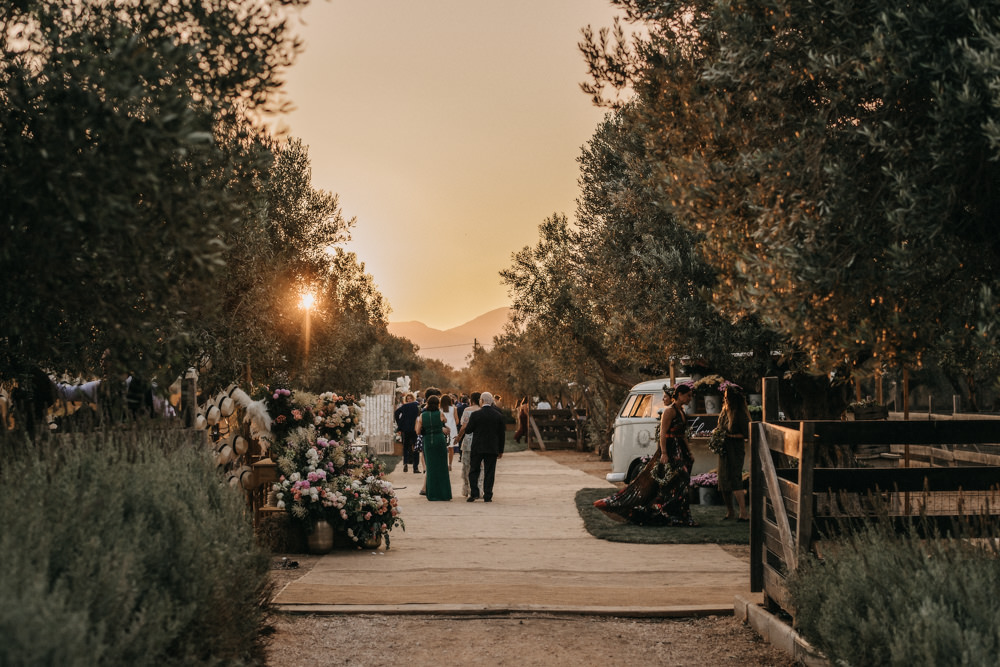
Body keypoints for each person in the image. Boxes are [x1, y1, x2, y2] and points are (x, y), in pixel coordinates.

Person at [593, 384, 698, 526]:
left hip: (681, 450)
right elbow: (662, 433)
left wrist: (689, 452)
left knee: (682, 483)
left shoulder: (681, 411)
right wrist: (664, 453)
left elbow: (683, 434)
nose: (690, 398)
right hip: (671, 450)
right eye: (688, 395)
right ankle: (669, 513)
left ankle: (680, 516)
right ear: (679, 395)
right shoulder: (669, 411)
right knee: (676, 480)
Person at [462, 391, 506, 502]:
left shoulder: (476, 415)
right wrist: (501, 450)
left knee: (474, 470)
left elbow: (468, 430)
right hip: (492, 447)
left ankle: (474, 493)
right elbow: (502, 434)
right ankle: (488, 495)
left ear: (481, 401)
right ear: (491, 401)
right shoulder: (498, 415)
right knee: (489, 471)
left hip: (478, 446)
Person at [717, 382, 750, 521]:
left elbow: (747, 434)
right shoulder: (724, 411)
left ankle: (743, 512)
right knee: (723, 479)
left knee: (735, 479)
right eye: (724, 397)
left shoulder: (740, 414)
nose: (725, 399)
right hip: (724, 449)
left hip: (735, 450)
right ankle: (730, 511)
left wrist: (729, 436)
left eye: (727, 397)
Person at [415, 394, 452, 501]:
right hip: (439, 441)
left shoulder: (422, 415)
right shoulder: (440, 413)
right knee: (442, 467)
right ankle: (444, 494)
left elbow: (418, 431)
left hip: (428, 441)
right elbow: (444, 422)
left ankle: (432, 494)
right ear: (438, 404)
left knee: (430, 467)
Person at [455, 391, 485, 497]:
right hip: (480, 441)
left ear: (471, 400)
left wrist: (458, 438)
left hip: (468, 442)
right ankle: (479, 488)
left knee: (467, 466)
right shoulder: (483, 411)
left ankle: (467, 489)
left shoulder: (467, 410)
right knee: (481, 467)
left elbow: (463, 427)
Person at [393, 392, 421, 473]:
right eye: (408, 399)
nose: (409, 400)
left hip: (406, 429)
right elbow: (420, 415)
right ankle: (415, 467)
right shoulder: (417, 405)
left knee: (405, 447)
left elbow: (396, 413)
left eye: (410, 398)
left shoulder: (404, 406)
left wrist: (400, 423)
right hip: (415, 428)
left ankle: (405, 463)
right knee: (416, 447)